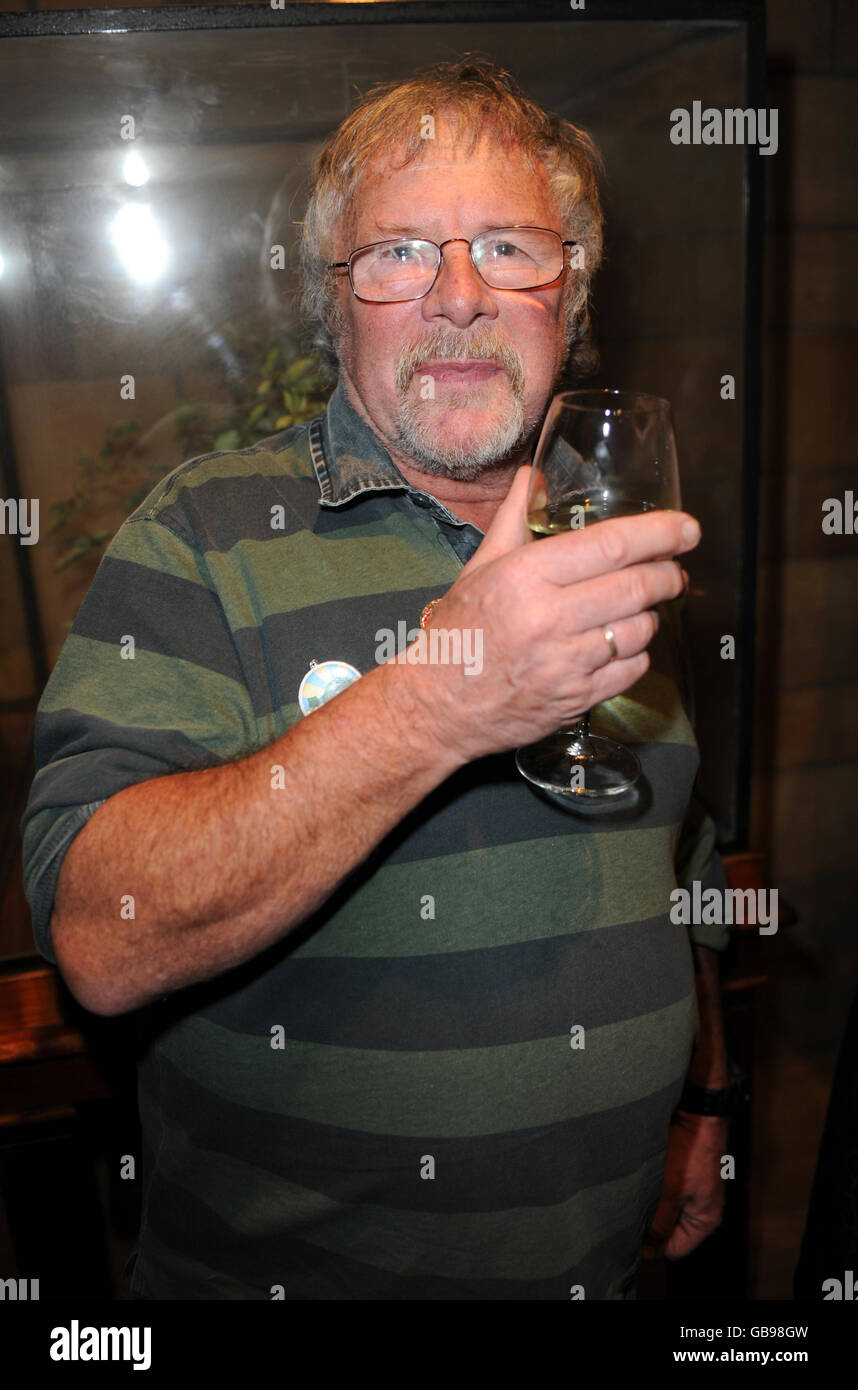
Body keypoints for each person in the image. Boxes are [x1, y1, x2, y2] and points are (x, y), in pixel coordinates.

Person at [22, 59, 731, 1300]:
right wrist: (445, 695)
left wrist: (703, 1096)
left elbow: (681, 863)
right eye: (400, 255)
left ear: (570, 293)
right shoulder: (204, 534)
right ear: (335, 304)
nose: (460, 298)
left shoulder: (612, 539)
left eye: (509, 246)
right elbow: (100, 933)